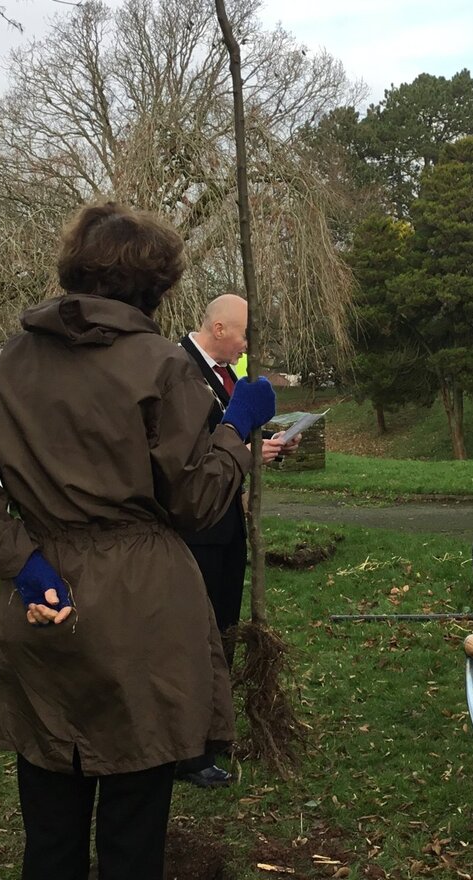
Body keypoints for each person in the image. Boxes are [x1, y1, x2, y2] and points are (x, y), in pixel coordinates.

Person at [0, 201, 275, 880]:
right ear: (157, 286)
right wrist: (236, 429)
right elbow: (198, 502)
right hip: (143, 613)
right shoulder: (160, 366)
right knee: (132, 834)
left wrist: (22, 559)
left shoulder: (13, 362)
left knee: (50, 831)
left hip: (43, 608)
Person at [174, 293, 297, 788]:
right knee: (195, 636)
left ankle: (211, 735)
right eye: (243, 333)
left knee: (223, 626)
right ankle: (187, 751)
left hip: (227, 526)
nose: (247, 344)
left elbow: (232, 437)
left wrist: (267, 447)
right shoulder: (178, 370)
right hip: (195, 529)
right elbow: (187, 454)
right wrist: (246, 450)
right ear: (219, 328)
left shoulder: (229, 378)